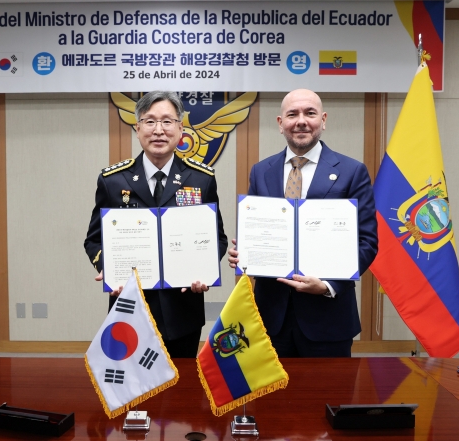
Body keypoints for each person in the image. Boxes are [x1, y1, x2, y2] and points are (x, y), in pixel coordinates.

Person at [228, 89, 378, 357]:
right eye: (292, 114)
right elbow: (257, 230)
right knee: (271, 399)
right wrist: (244, 253)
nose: (301, 121)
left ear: (323, 120)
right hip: (271, 319)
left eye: (309, 113)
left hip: (328, 318)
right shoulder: (261, 171)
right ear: (280, 123)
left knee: (328, 397)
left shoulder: (352, 171)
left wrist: (329, 285)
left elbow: (367, 242)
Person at [85, 91, 228, 358]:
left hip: (182, 311)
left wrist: (204, 270)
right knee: (133, 392)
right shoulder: (113, 180)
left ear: (180, 128)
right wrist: (109, 269)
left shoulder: (202, 179)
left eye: (167, 121)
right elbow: (94, 240)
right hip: (130, 308)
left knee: (180, 391)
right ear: (137, 129)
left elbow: (217, 238)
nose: (158, 130)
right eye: (149, 122)